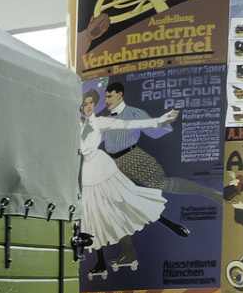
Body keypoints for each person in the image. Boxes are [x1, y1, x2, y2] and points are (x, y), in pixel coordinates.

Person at [77, 89, 181, 276]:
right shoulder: (77, 126)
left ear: (95, 104)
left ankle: (169, 223)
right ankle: (100, 262)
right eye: (85, 104)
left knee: (128, 200)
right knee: (92, 216)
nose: (88, 106)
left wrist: (158, 120)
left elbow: (127, 124)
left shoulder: (100, 122)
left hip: (103, 170)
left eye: (91, 102)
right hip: (87, 175)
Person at [101, 80, 224, 203]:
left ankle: (210, 193)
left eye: (109, 97)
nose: (106, 101)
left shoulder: (134, 113)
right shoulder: (107, 119)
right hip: (112, 162)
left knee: (162, 184)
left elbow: (153, 132)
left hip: (131, 158)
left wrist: (164, 122)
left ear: (120, 94)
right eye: (106, 97)